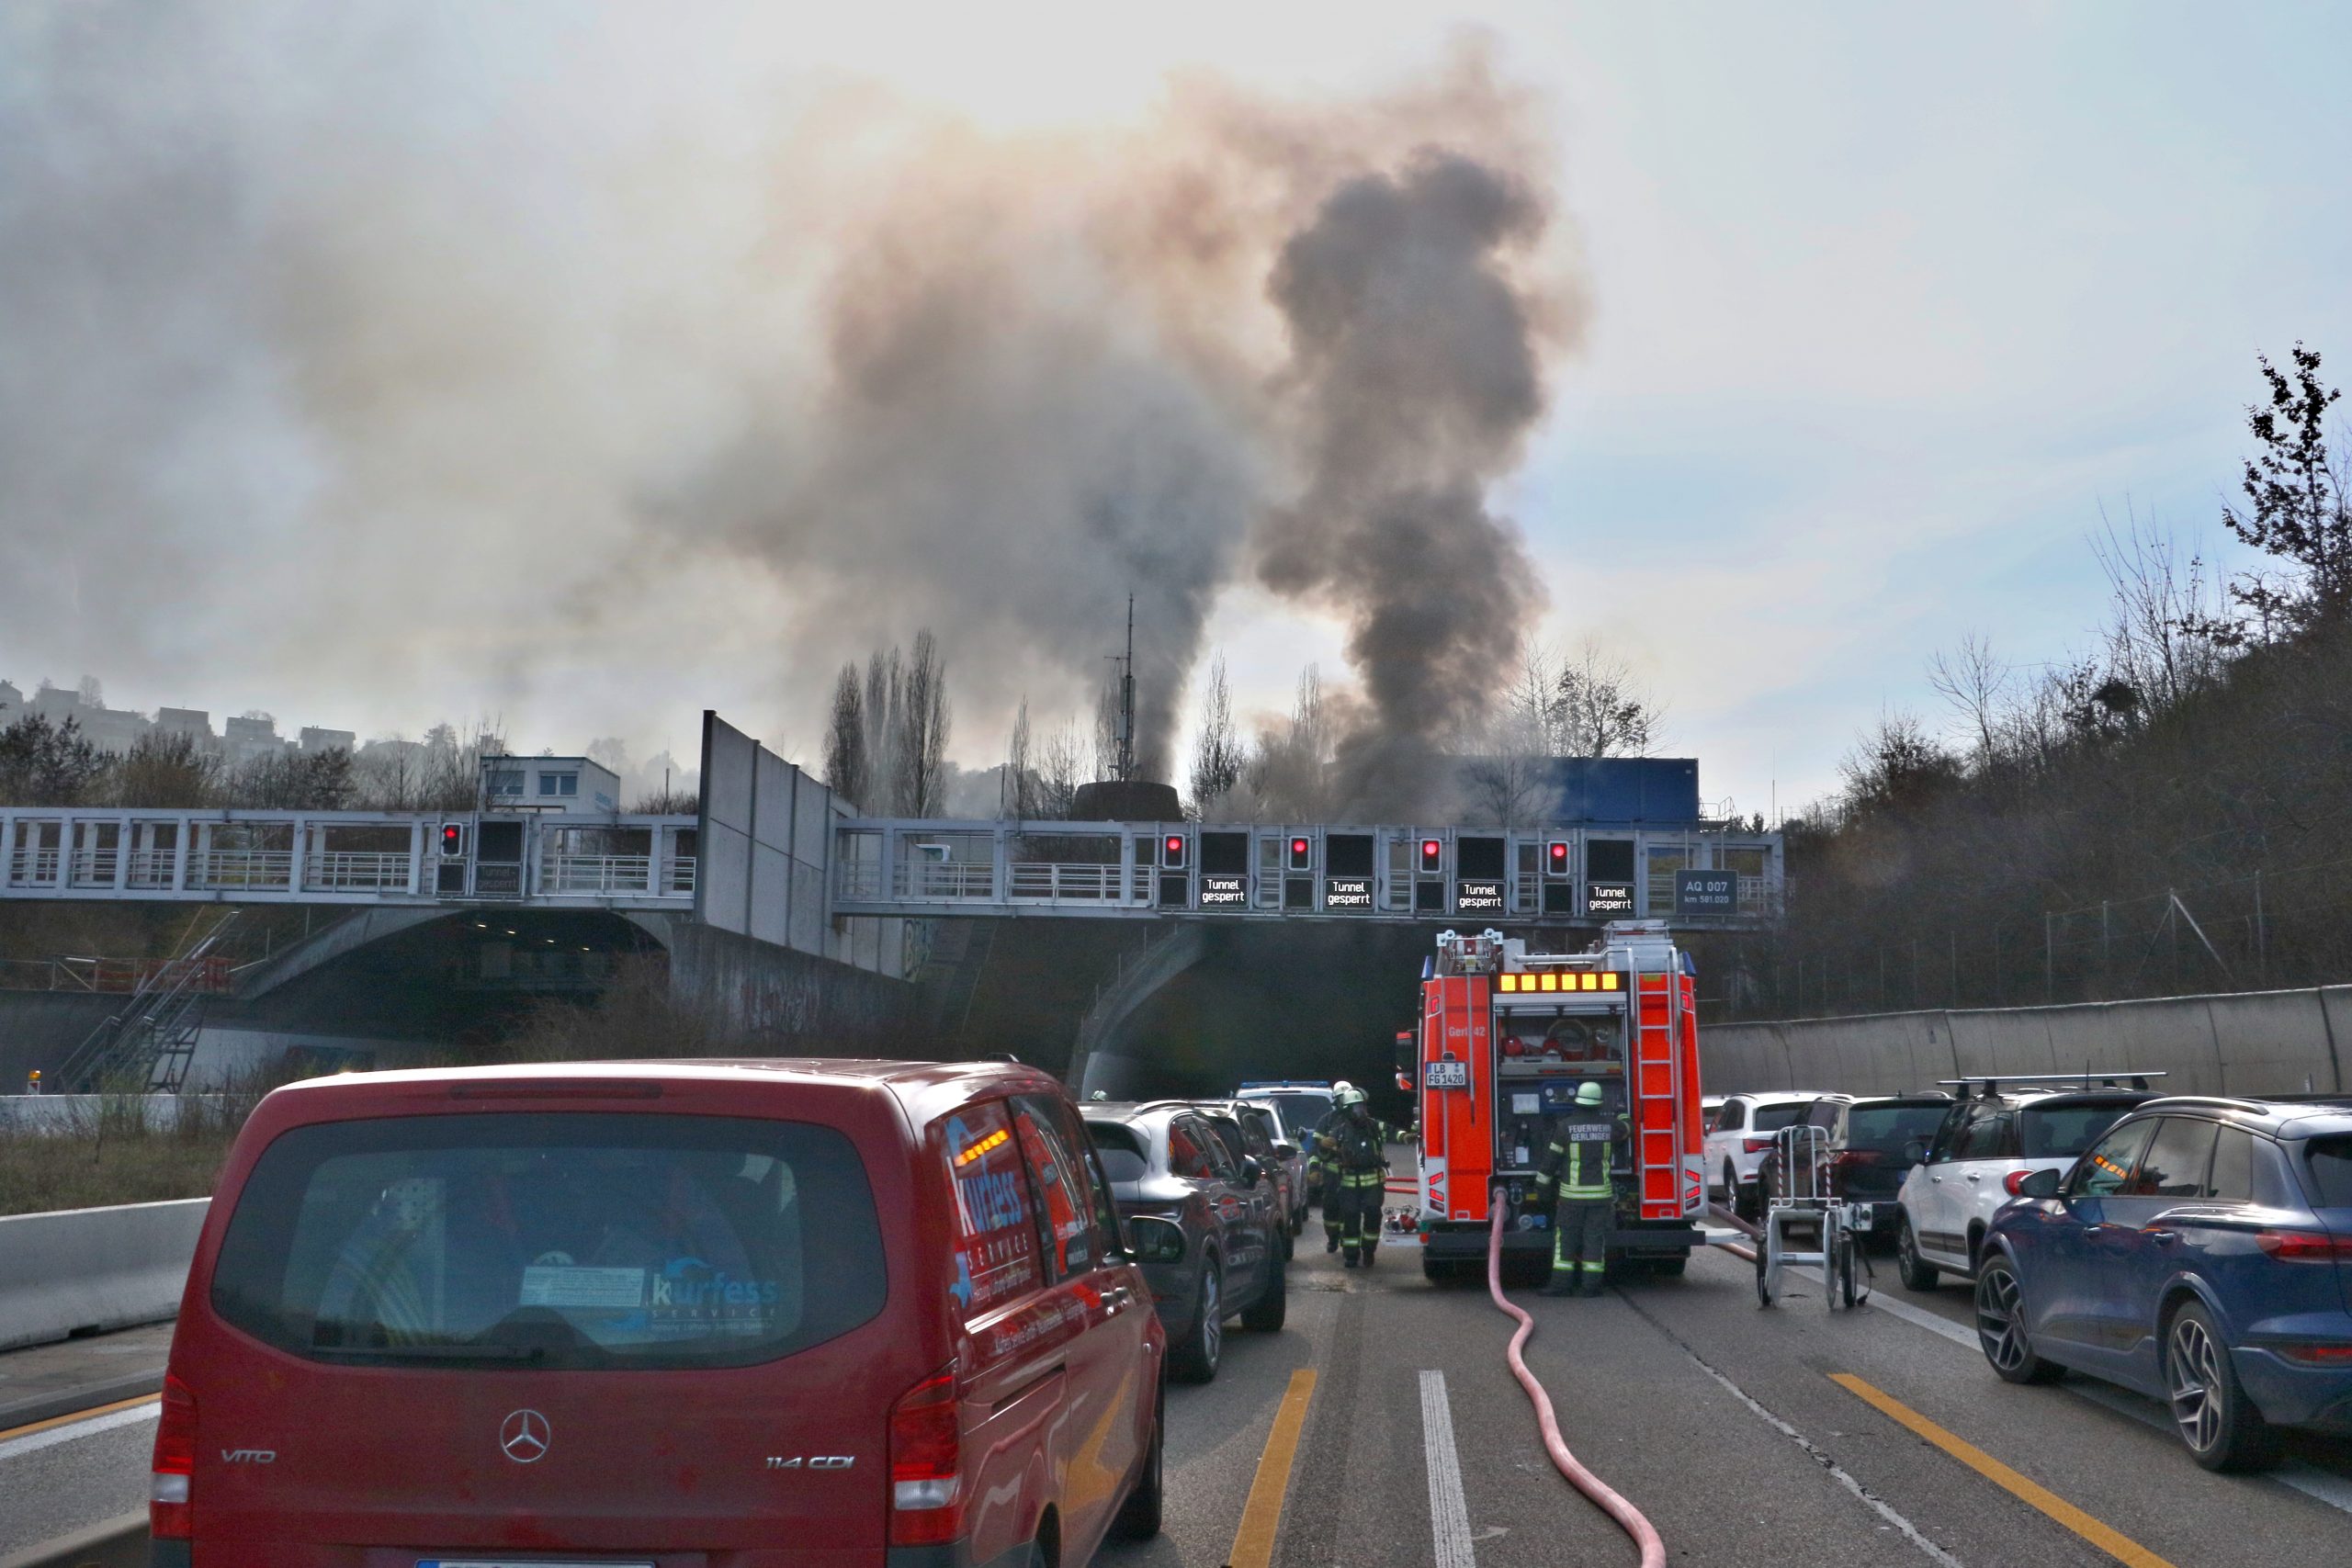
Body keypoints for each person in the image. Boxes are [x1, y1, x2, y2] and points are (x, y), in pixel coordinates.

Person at [1528, 1080, 1627, 1297]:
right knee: (1594, 1240)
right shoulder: (1608, 1126)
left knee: (1565, 1240)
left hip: (1571, 1198)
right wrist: (1622, 1112)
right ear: (1599, 1104)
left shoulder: (1564, 1128)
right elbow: (1626, 1128)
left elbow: (1549, 1163)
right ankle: (1590, 1287)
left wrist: (1542, 1192)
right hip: (1600, 1198)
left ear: (1578, 1103)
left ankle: (1560, 1286)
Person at [1317, 1087, 1388, 1269]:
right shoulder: (1339, 1130)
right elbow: (1324, 1157)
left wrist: (1406, 1135)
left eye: (1362, 1107)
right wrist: (1324, 1147)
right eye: (1356, 1109)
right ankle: (1351, 1256)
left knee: (1373, 1214)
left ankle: (1369, 1250)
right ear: (1347, 1111)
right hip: (1348, 1182)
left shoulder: (1373, 1126)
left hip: (1372, 1180)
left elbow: (1391, 1131)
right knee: (1350, 1218)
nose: (1360, 1112)